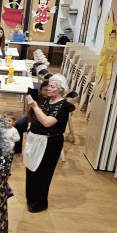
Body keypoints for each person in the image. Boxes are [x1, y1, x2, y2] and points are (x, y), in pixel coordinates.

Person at [24, 74, 71, 213]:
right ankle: (31, 199)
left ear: (60, 89)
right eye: (49, 86)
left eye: (52, 86)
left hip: (50, 143)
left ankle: (39, 203)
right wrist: (30, 127)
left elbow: (47, 122)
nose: (48, 88)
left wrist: (34, 106)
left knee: (42, 173)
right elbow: (37, 117)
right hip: (37, 140)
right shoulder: (48, 100)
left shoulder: (62, 105)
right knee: (32, 169)